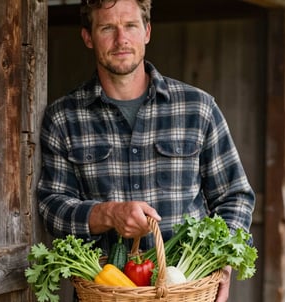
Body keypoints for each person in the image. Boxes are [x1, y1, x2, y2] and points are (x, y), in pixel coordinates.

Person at [37, 0, 255, 301]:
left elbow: (235, 196)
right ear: (88, 37)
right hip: (105, 293)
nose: (121, 39)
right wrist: (108, 214)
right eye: (107, 28)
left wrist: (223, 263)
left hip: (185, 291)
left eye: (130, 26)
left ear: (147, 31)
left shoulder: (198, 108)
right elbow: (51, 208)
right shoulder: (63, 117)